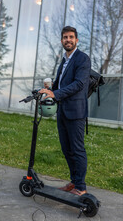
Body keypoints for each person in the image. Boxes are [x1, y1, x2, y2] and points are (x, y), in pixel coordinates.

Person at [39, 26, 91, 196]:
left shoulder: (82, 59)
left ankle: (81, 187)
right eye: (65, 37)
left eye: (71, 37)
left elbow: (79, 84)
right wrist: (50, 89)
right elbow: (61, 84)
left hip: (76, 112)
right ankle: (74, 181)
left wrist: (56, 93)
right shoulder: (64, 60)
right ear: (61, 41)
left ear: (76, 40)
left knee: (77, 149)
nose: (68, 40)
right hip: (62, 110)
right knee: (66, 149)